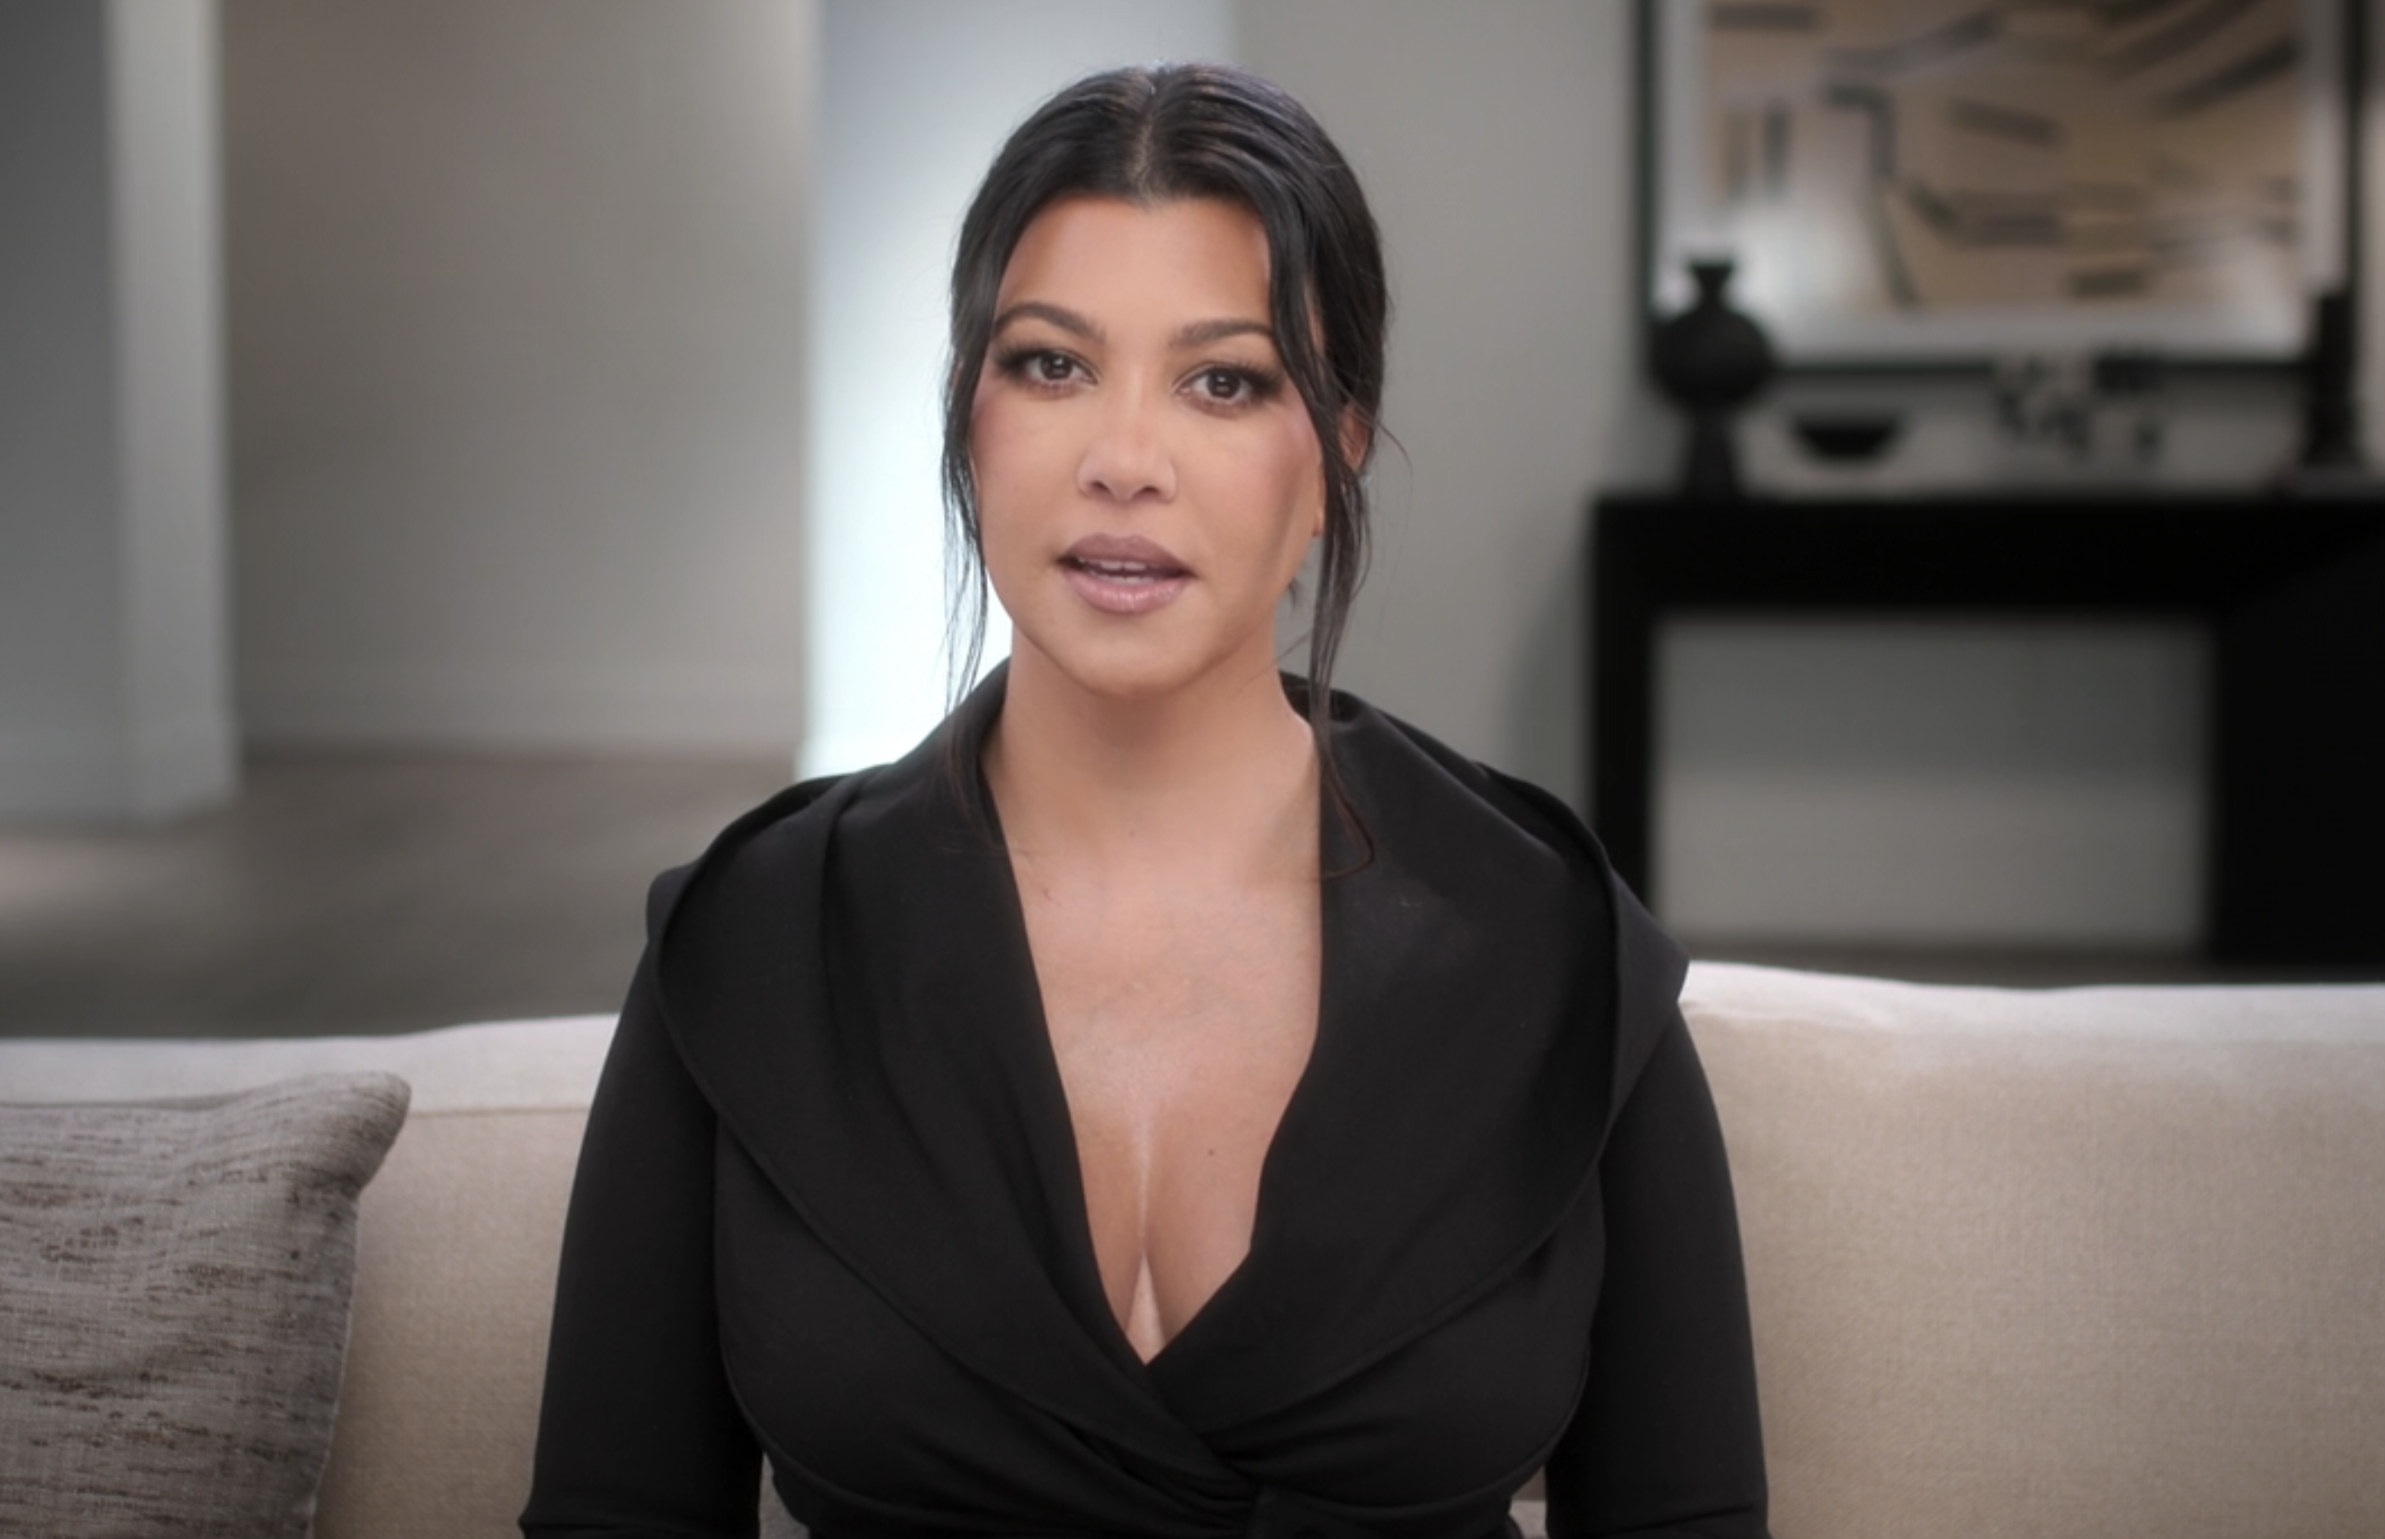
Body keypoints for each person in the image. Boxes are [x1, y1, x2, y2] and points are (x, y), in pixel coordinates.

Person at [522, 63, 1768, 1539]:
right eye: (1050, 363)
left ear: (1338, 449)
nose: (1124, 462)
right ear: (967, 417)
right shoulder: (748, 949)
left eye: (1223, 381)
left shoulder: (1553, 948)